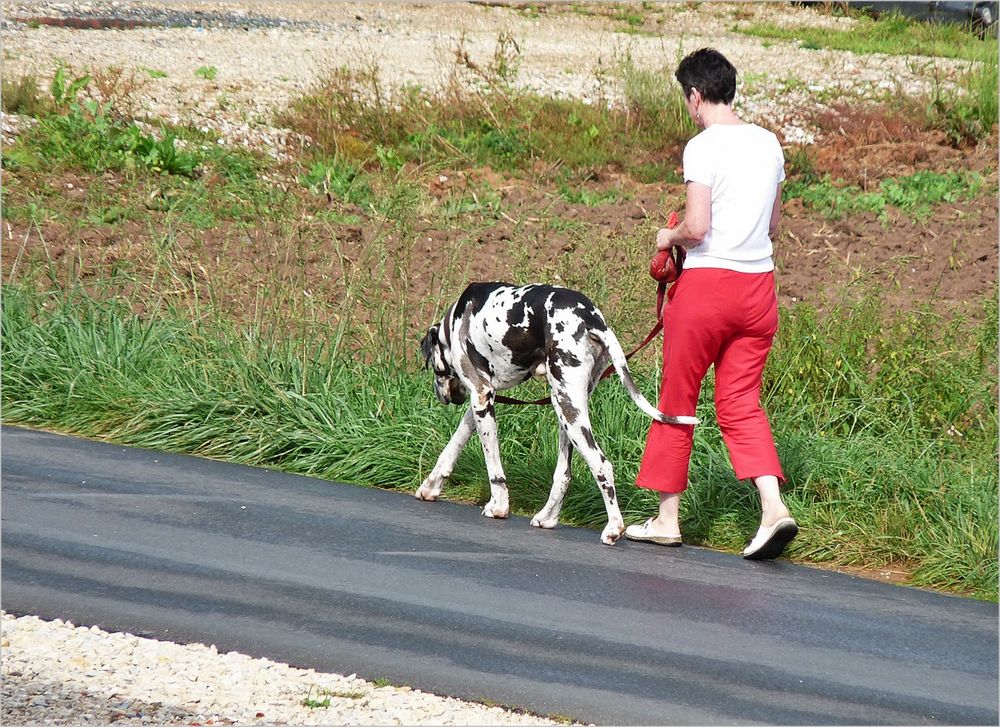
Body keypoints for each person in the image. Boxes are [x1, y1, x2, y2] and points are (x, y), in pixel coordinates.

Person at [623, 48, 797, 560]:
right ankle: (773, 507)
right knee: (741, 402)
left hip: (707, 292)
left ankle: (667, 519)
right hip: (759, 291)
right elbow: (772, 227)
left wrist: (666, 235)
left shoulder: (702, 148)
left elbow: (697, 229)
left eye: (688, 100)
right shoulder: (770, 144)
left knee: (678, 400)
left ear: (695, 96)